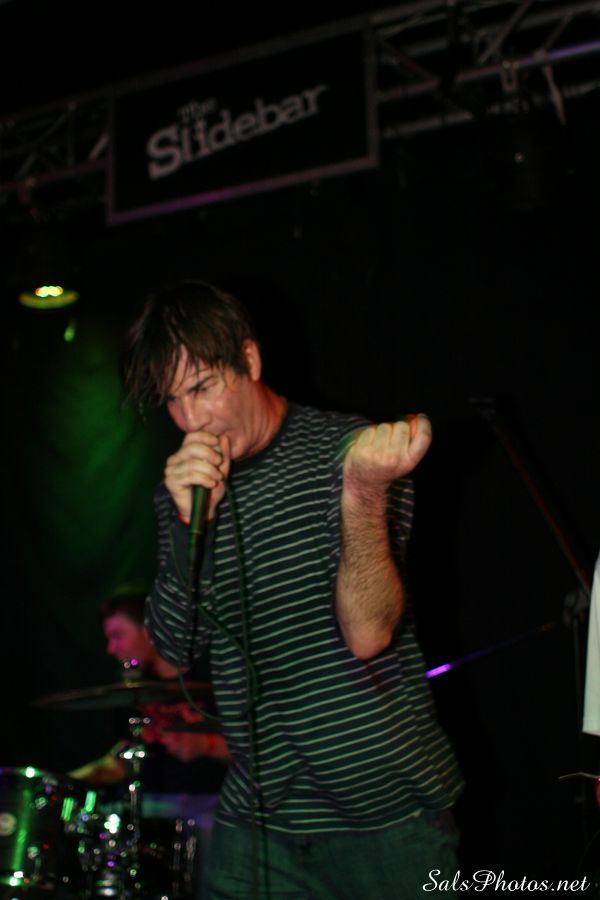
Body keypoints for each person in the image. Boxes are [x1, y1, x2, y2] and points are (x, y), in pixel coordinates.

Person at [123, 280, 463, 899]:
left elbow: (369, 633)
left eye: (202, 387)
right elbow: (173, 651)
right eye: (172, 399)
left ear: (250, 361)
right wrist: (186, 523)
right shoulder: (182, 488)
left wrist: (363, 492)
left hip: (384, 814)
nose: (191, 419)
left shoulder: (349, 452)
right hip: (259, 816)